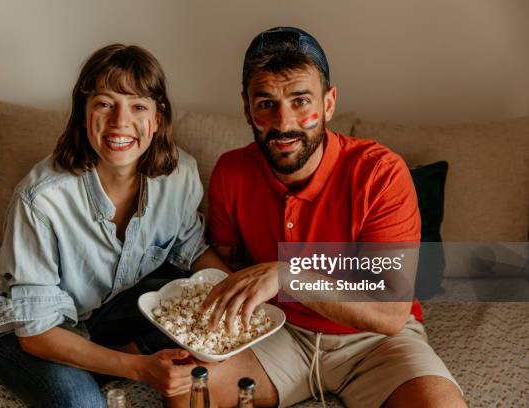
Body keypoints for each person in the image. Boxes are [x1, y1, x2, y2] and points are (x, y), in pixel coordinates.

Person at [166, 27, 467, 407]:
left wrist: (287, 274)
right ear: (246, 108)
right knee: (187, 393)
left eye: (300, 101)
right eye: (266, 104)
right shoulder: (231, 172)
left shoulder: (381, 173)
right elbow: (226, 268)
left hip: (375, 342)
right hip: (274, 332)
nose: (283, 122)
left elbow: (390, 314)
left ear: (328, 103)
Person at [0, 44, 229, 408]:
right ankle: (105, 364)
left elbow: (192, 252)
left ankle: (102, 358)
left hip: (111, 310)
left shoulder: (179, 175)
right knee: (82, 403)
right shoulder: (40, 199)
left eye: (138, 106)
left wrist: (238, 294)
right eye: (104, 104)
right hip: (37, 334)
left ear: (157, 119)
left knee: (202, 315)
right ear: (83, 113)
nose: (119, 122)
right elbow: (36, 335)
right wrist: (140, 368)